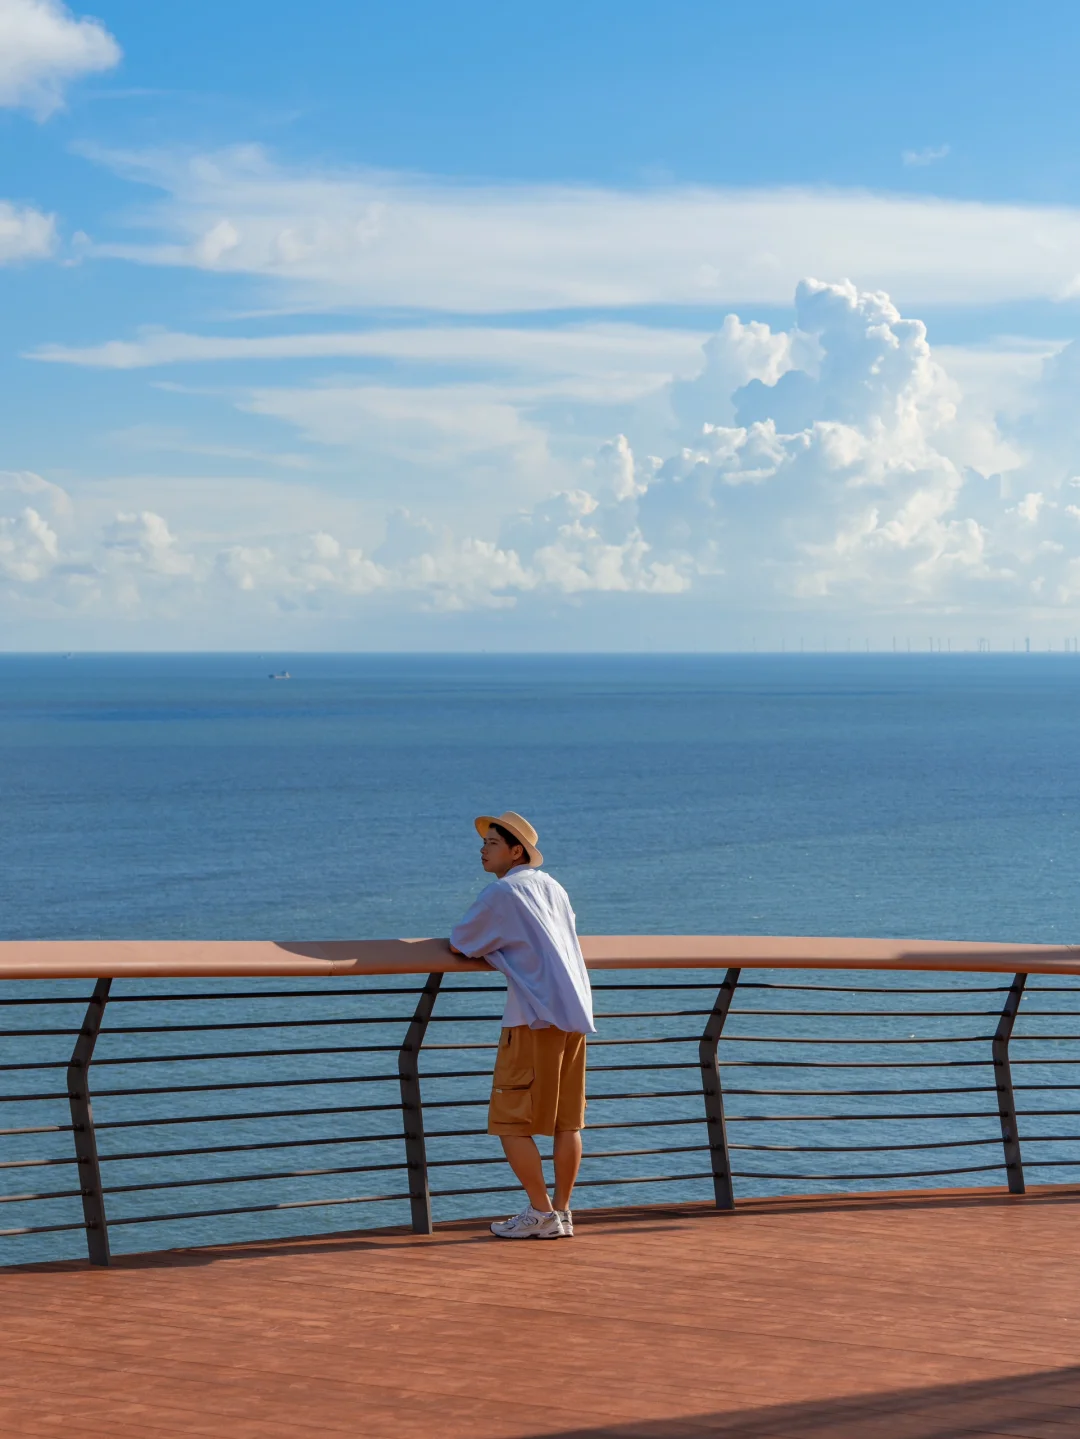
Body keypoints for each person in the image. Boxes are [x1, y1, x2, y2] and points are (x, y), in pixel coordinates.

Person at [450, 811, 594, 1239]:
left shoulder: (504, 893)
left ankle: (540, 1212)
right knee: (567, 1121)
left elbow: (462, 941)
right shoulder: (553, 887)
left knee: (509, 1120)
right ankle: (562, 1213)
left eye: (492, 843)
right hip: (573, 1014)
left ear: (516, 851)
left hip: (531, 1017)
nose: (482, 849)